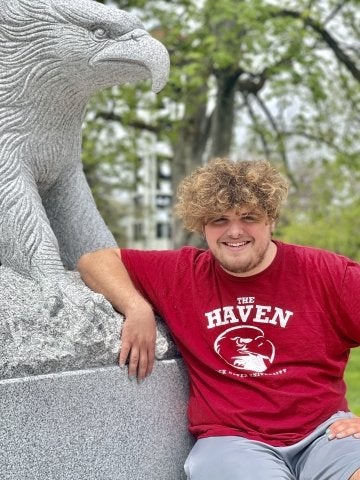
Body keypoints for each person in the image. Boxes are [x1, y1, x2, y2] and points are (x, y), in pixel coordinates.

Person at [77, 157, 360, 480]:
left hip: (326, 434)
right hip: (234, 442)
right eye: (219, 220)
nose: (234, 231)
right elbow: (95, 261)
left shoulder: (326, 274)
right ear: (202, 226)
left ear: (271, 219)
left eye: (249, 217)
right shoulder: (182, 274)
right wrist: (136, 306)